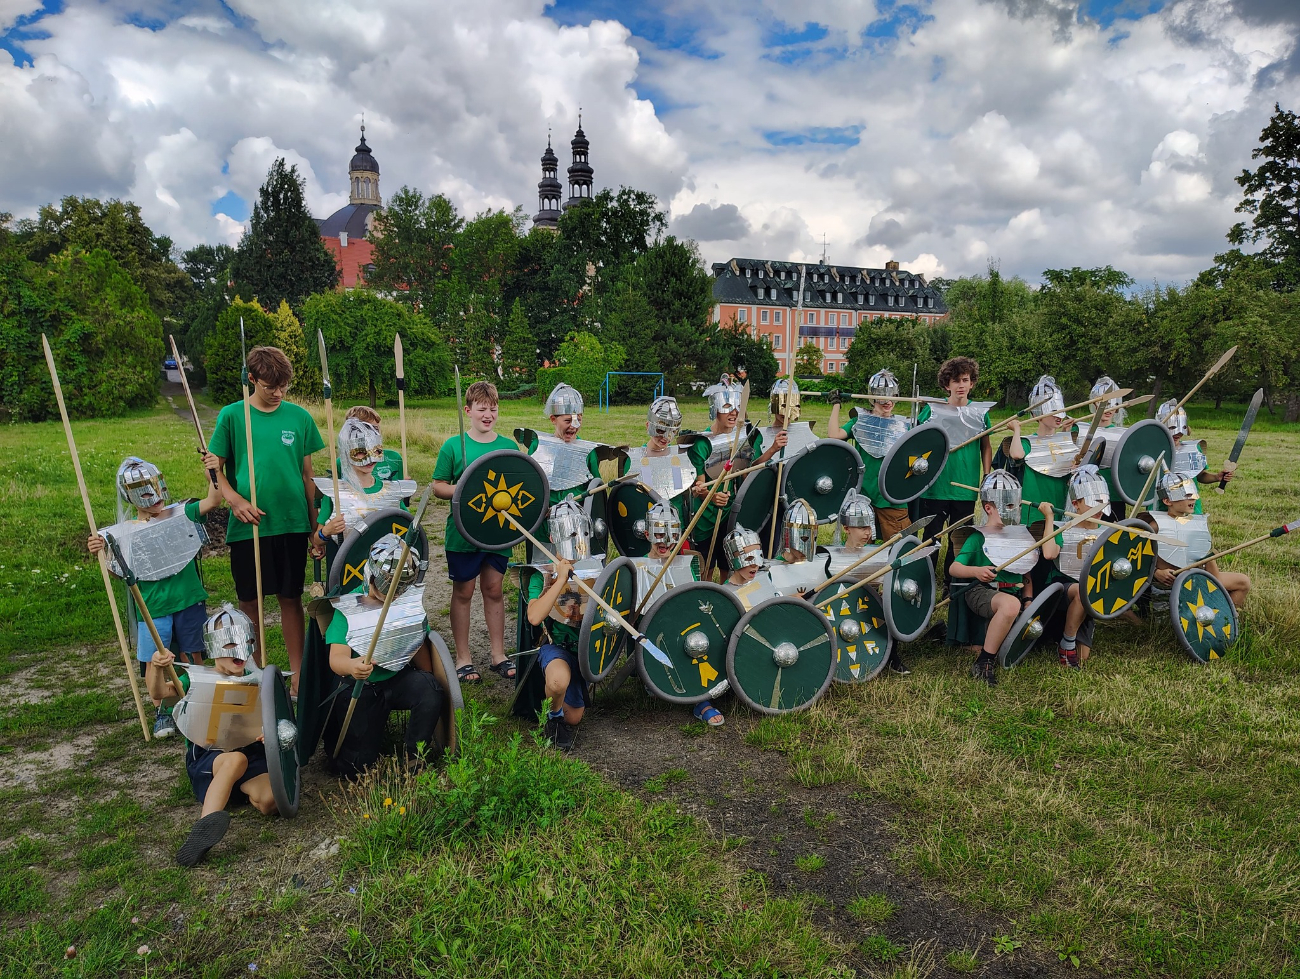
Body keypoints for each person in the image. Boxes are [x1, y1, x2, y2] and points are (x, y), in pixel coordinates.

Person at [209, 345, 324, 686]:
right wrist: (235, 501)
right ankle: (255, 675)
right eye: (270, 386)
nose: (278, 393)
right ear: (251, 379)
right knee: (250, 602)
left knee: (291, 597)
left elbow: (308, 476)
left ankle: (299, 676)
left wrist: (314, 525)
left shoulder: (299, 417)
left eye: (284, 386)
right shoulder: (232, 416)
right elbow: (214, 470)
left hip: (291, 521)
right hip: (250, 525)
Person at [88, 455, 225, 738]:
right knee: (155, 660)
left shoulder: (183, 514)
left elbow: (214, 500)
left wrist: (214, 471)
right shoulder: (123, 534)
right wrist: (100, 550)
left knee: (192, 654)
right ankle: (163, 709)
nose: (153, 496)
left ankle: (196, 701)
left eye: (155, 486)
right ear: (131, 496)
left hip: (188, 599)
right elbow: (121, 571)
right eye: (143, 491)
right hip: (152, 607)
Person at [146, 605, 277, 867]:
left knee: (269, 801)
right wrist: (157, 667)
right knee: (234, 761)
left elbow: (276, 718)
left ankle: (232, 792)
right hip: (211, 756)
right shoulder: (196, 679)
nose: (239, 650)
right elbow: (159, 693)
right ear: (214, 646)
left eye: (246, 642)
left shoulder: (259, 679)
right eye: (230, 643)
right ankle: (203, 830)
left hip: (251, 755)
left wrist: (269, 732)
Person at [324, 535, 445, 777]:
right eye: (385, 590)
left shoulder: (405, 603)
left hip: (396, 678)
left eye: (398, 591)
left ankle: (415, 756)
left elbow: (418, 644)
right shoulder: (348, 609)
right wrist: (352, 665)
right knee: (356, 768)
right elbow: (336, 658)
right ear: (370, 576)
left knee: (429, 689)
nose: (392, 596)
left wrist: (428, 682)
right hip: (360, 688)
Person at [431, 380, 519, 685]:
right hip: (463, 533)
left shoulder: (508, 447)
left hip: (498, 532)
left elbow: (522, 485)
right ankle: (463, 658)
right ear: (468, 411)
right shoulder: (453, 446)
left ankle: (498, 654)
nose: (488, 415)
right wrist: (462, 489)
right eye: (482, 409)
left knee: (494, 589)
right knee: (464, 591)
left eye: (493, 409)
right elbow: (438, 485)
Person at [950, 471, 1059, 686]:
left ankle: (984, 647)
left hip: (1013, 593)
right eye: (1008, 506)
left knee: (1020, 615)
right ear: (988, 508)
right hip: (981, 591)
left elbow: (1025, 572)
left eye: (1016, 505)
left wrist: (1028, 601)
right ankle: (984, 662)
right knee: (1010, 606)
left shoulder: (1020, 536)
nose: (1014, 510)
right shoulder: (978, 536)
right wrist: (976, 571)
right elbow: (955, 568)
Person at [525, 499, 602, 751]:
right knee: (558, 683)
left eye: (578, 533)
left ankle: (568, 696)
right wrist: (559, 579)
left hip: (587, 650)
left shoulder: (597, 570)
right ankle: (553, 718)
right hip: (558, 647)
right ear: (552, 536)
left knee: (575, 718)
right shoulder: (542, 574)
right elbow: (534, 617)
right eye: (567, 534)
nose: (574, 540)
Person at [916, 357, 994, 592]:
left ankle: (953, 583)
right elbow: (916, 440)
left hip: (965, 487)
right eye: (955, 380)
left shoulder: (980, 413)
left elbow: (986, 447)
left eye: (965, 380)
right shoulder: (932, 409)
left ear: (972, 383)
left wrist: (986, 475)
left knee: (959, 537)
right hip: (936, 485)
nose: (961, 385)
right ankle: (925, 581)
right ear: (946, 384)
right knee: (932, 536)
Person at [818, 491, 911, 675]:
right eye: (861, 528)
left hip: (869, 605)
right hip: (841, 607)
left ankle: (891, 656)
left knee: (890, 604)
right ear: (847, 528)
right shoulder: (831, 556)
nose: (867, 533)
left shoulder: (879, 553)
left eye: (869, 527)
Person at [1145, 471, 1250, 609]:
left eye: (1193, 494)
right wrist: (1156, 572)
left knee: (1243, 582)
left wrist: (1213, 582)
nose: (1193, 499)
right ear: (1167, 501)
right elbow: (1141, 558)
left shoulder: (1197, 523)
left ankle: (1225, 616)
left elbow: (1205, 556)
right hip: (1168, 585)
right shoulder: (1155, 526)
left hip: (1196, 579)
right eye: (1186, 495)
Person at [521, 382, 605, 547]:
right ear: (553, 419)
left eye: (578, 420)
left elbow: (596, 489)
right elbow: (529, 484)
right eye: (567, 420)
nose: (574, 426)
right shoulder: (538, 447)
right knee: (543, 561)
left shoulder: (587, 451)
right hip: (543, 524)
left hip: (575, 526)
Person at [834, 368, 913, 540]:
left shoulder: (905, 425)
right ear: (872, 398)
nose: (888, 402)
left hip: (892, 496)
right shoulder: (859, 421)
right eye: (883, 397)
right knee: (860, 546)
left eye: (892, 396)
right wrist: (836, 405)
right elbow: (834, 435)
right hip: (864, 493)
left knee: (897, 546)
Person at [690, 375, 751, 580]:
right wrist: (711, 496)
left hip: (730, 512)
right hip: (706, 515)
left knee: (729, 565)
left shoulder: (740, 438)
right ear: (715, 409)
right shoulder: (702, 444)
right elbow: (699, 484)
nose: (733, 412)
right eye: (727, 407)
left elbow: (745, 474)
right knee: (706, 567)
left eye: (737, 408)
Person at [315, 416, 414, 541]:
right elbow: (317, 540)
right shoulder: (335, 491)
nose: (370, 458)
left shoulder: (391, 491)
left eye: (375, 450)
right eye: (360, 452)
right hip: (344, 553)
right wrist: (326, 531)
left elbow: (408, 529)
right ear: (347, 453)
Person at [1051, 465, 1112, 669]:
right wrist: (1049, 519)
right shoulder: (1062, 529)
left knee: (1083, 657)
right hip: (1063, 588)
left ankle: (1073, 634)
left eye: (1102, 502)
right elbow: (1049, 554)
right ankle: (1066, 643)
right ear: (1076, 504)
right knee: (1081, 590)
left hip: (1092, 592)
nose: (1099, 509)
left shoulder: (1109, 531)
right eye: (1093, 502)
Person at [626, 397, 710, 528]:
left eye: (672, 431)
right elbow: (631, 499)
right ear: (648, 426)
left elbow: (683, 495)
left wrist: (696, 490)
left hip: (677, 524)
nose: (666, 437)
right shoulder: (635, 459)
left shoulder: (679, 457)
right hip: (649, 526)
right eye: (661, 430)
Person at [1004, 376, 1077, 525]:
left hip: (1059, 502)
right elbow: (1017, 454)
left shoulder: (1064, 439)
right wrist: (1017, 430)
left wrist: (1065, 433)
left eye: (1060, 409)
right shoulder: (1027, 442)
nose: (1058, 415)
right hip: (1034, 508)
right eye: (1053, 410)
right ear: (1036, 414)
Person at [1155, 400, 1236, 511]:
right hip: (1160, 507)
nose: (1178, 433)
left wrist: (1216, 477)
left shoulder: (1193, 449)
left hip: (1191, 508)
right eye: (1172, 428)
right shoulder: (1152, 450)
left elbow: (1199, 476)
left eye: (1182, 428)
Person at [340, 405, 405, 480]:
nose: (371, 434)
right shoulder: (341, 462)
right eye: (364, 429)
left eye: (375, 429)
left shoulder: (394, 458)